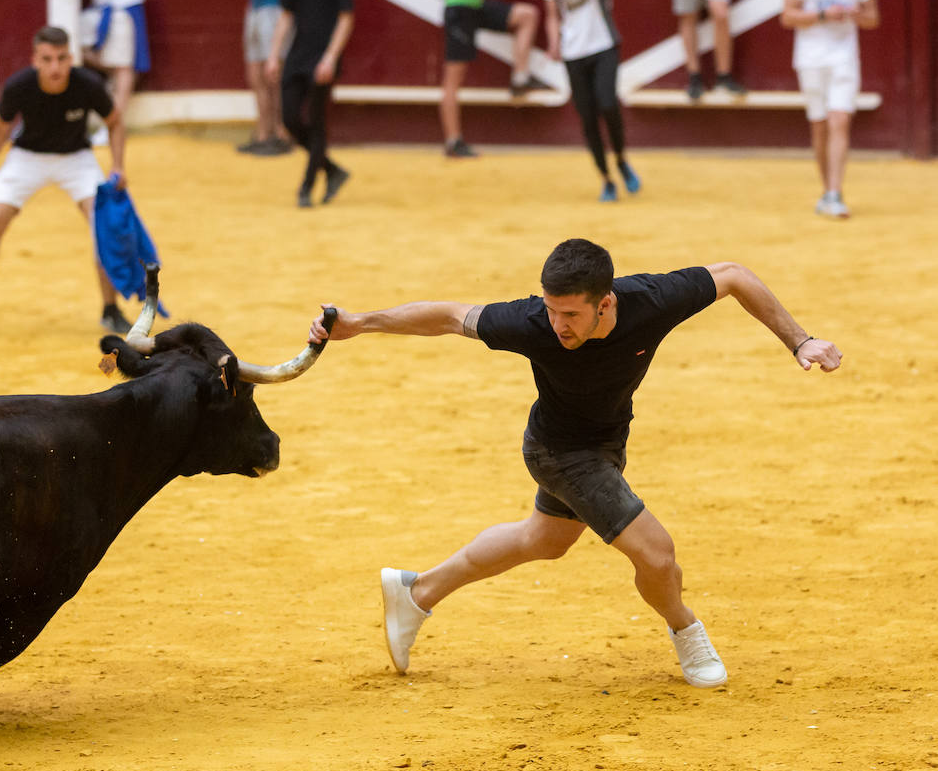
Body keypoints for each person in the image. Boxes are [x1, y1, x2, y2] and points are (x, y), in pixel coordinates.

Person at [306, 238, 843, 689]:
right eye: (550, 309)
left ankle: (416, 592)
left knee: (542, 541)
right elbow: (449, 317)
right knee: (657, 556)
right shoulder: (530, 323)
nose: (557, 324)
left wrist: (800, 340)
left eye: (570, 313)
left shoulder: (653, 300)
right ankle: (687, 633)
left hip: (607, 442)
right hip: (560, 452)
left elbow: (732, 275)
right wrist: (360, 322)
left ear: (606, 303)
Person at [0, 25, 131, 339]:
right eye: (47, 59)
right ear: (35, 61)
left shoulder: (88, 84)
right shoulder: (19, 87)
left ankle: (111, 310)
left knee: (103, 222)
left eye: (61, 58)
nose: (55, 67)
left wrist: (119, 165)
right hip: (27, 157)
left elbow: (115, 121)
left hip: (76, 158)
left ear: (71, 58)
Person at [780, 0, 878, 220]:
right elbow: (787, 16)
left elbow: (873, 18)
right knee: (820, 125)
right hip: (810, 57)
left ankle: (835, 193)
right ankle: (827, 190)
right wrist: (824, 15)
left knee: (839, 120)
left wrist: (854, 14)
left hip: (844, 56)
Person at [536, 0, 639, 202]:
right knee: (587, 118)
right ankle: (606, 177)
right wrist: (554, 42)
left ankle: (620, 158)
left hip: (603, 43)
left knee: (607, 103)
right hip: (573, 51)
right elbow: (552, 13)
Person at [426, 0, 543, 158]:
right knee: (453, 78)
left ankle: (520, 78)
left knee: (527, 15)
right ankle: (453, 141)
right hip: (458, 8)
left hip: (476, 5)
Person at [265, 0, 353, 209]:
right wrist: (274, 54)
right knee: (290, 119)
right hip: (298, 55)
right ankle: (332, 170)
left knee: (316, 121)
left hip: (322, 58)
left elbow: (345, 19)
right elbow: (286, 16)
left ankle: (306, 187)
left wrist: (331, 57)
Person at [227, 0, 297, 156]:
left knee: (274, 73)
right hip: (256, 8)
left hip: (275, 10)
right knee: (256, 73)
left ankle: (281, 132)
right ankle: (264, 132)